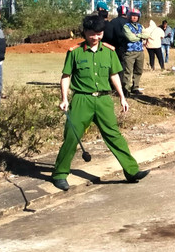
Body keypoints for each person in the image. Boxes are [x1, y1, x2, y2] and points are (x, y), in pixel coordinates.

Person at [51, 15, 148, 191]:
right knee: (72, 137)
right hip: (82, 99)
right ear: (85, 33)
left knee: (114, 135)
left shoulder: (109, 52)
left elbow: (114, 76)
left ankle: (131, 171)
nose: (95, 37)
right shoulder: (75, 52)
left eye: (99, 33)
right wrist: (64, 99)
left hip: (103, 99)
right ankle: (59, 174)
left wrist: (122, 97)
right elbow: (66, 77)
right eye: (91, 34)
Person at [120, 8, 147, 94]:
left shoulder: (140, 26)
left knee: (139, 70)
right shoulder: (126, 26)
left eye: (136, 16)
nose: (134, 17)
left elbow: (147, 35)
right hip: (129, 52)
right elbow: (131, 38)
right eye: (133, 16)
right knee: (128, 71)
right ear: (129, 16)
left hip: (140, 51)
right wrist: (141, 36)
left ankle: (135, 87)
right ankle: (126, 89)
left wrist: (137, 35)